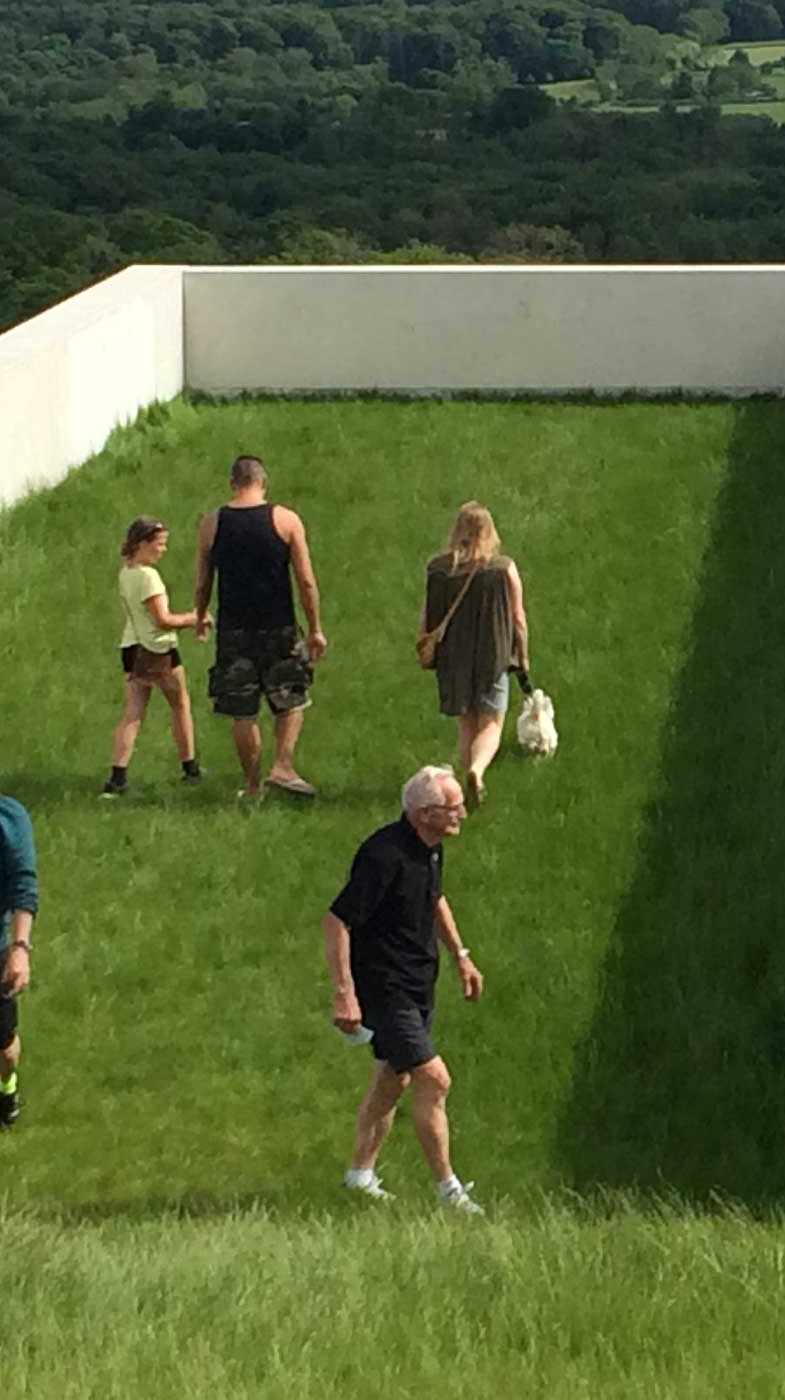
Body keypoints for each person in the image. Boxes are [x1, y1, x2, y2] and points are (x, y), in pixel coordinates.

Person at [323, 765, 486, 1212]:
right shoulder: (383, 856)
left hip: (419, 982)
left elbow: (434, 898)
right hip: (385, 986)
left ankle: (359, 1175)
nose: (462, 815)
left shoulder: (431, 849)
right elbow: (337, 921)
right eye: (453, 808)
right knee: (435, 1078)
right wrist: (344, 992)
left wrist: (461, 956)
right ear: (425, 813)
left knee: (394, 1078)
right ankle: (449, 1191)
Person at [194, 454, 327, 801]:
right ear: (262, 482)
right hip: (279, 625)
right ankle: (282, 765)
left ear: (232, 483)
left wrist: (199, 614)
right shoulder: (285, 520)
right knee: (291, 698)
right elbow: (306, 581)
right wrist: (315, 628)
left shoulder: (212, 523)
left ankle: (252, 785)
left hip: (233, 629)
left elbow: (203, 579)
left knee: (242, 710)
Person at [420, 503, 529, 807]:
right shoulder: (503, 568)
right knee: (492, 721)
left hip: (453, 656)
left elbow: (428, 615)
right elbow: (518, 618)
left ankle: (465, 791)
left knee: (467, 720)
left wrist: (422, 644)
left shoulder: (438, 569)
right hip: (492, 654)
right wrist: (523, 656)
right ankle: (476, 770)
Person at [101, 517, 203, 797]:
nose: (163, 550)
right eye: (159, 544)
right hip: (157, 650)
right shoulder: (148, 576)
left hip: (131, 648)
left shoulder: (127, 573)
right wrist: (195, 618)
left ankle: (117, 778)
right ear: (142, 544)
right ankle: (190, 769)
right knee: (180, 704)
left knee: (132, 713)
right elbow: (163, 620)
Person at [0, 791, 38, 1129]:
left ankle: (6, 1086)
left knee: (5, 1048)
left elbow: (23, 886)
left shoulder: (9, 819)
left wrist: (19, 949)